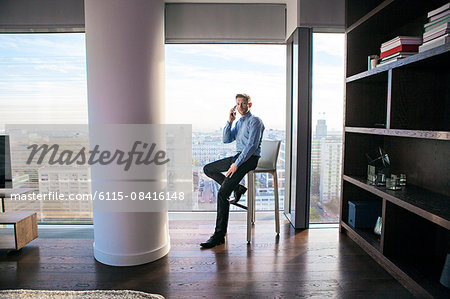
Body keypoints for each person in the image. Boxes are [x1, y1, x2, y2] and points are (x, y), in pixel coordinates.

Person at [200, 93, 265, 248]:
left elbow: (252, 147)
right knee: (208, 169)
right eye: (238, 104)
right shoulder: (239, 122)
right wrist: (229, 121)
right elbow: (226, 139)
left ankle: (219, 236)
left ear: (250, 105)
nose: (240, 106)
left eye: (243, 103)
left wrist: (236, 164)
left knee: (223, 194)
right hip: (238, 157)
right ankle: (237, 188)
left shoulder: (255, 121)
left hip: (249, 159)